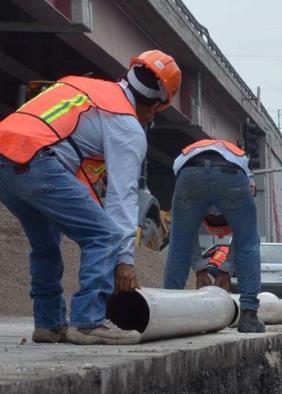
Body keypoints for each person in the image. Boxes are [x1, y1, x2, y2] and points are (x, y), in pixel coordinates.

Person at [0, 50, 181, 344]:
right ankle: (87, 321)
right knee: (104, 235)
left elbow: (77, 173)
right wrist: (124, 260)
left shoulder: (85, 88)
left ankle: (48, 324)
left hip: (7, 160)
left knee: (46, 244)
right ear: (157, 105)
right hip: (38, 160)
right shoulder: (126, 125)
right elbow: (122, 199)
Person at [164, 139, 265, 333]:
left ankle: (168, 311)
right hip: (231, 172)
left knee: (178, 242)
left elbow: (185, 237)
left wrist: (207, 268)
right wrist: (221, 269)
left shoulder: (189, 165)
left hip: (189, 172)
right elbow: (244, 240)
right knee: (250, 241)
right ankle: (249, 315)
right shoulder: (247, 177)